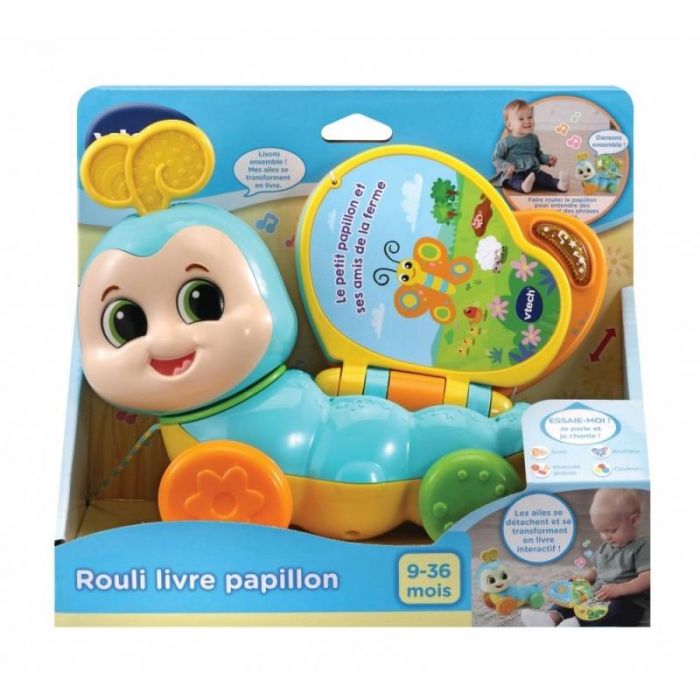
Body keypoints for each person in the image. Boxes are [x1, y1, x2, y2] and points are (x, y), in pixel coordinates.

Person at [521, 489, 650, 627]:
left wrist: (618, 589)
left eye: (612, 530)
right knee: (573, 595)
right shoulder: (606, 546)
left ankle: (578, 624)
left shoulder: (643, 547)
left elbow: (647, 578)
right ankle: (550, 619)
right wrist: (585, 580)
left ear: (634, 520)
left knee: (613, 611)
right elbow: (597, 568)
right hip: (597, 595)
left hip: (627, 600)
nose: (606, 537)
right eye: (601, 531)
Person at [492, 99, 569, 194]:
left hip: (532, 171)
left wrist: (547, 159)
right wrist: (507, 166)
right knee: (512, 180)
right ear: (509, 125)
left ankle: (559, 184)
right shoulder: (505, 142)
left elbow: (538, 154)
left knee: (544, 177)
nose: (527, 121)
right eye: (521, 119)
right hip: (515, 172)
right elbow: (496, 158)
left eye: (530, 117)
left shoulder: (533, 138)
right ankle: (523, 186)